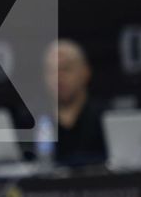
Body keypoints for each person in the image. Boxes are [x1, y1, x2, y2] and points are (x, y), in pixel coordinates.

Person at [40, 40, 106, 169]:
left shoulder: (105, 118)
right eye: (52, 71)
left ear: (85, 72)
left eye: (66, 69)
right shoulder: (31, 122)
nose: (58, 77)